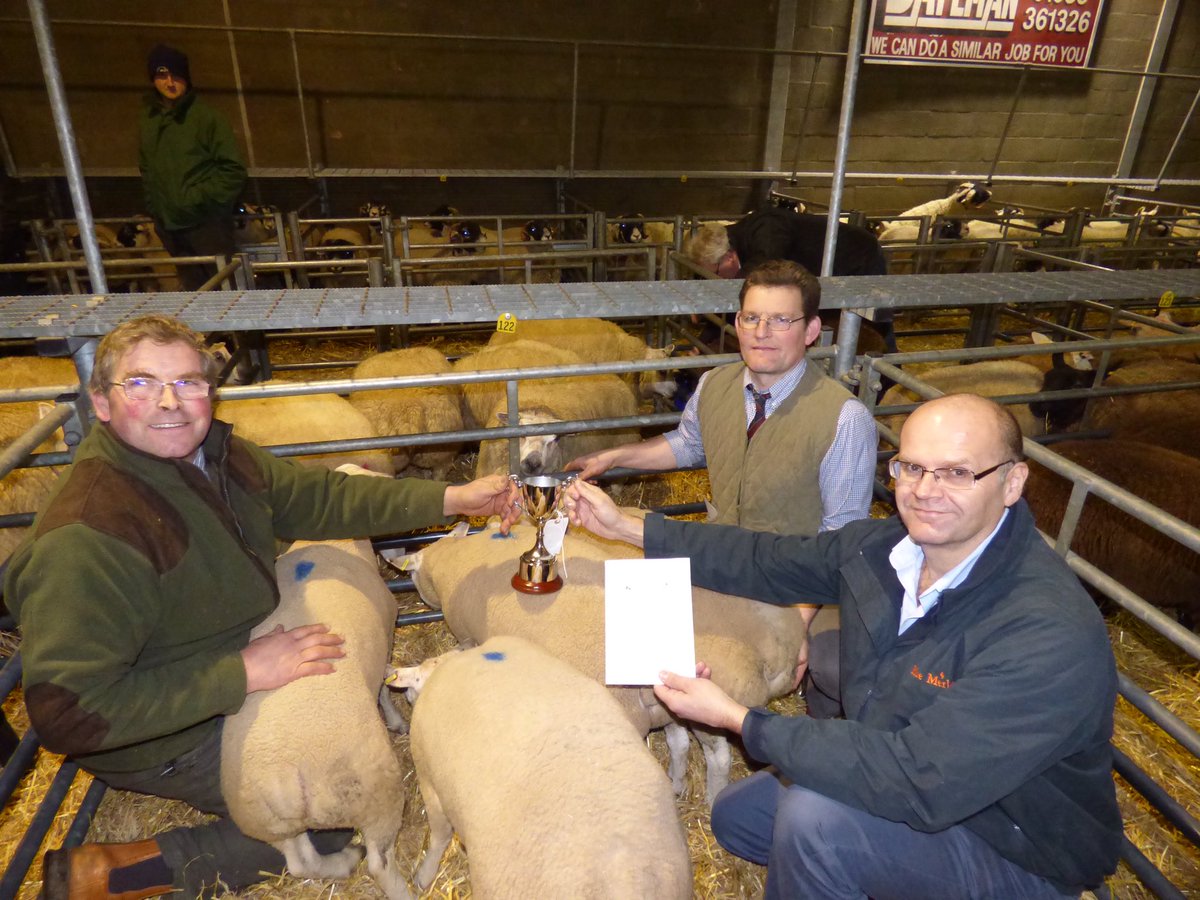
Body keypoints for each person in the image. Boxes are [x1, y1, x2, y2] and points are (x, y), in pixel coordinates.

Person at [5, 315, 520, 899]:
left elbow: (320, 497)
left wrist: (452, 496)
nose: (171, 402)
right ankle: (113, 872)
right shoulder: (87, 538)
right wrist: (243, 672)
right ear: (100, 402)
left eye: (189, 382)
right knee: (327, 812)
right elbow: (69, 714)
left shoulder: (214, 458)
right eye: (142, 384)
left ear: (210, 390)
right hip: (168, 728)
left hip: (225, 653)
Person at [563, 393, 1122, 899]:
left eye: (957, 472)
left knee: (813, 823)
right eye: (911, 468)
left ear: (1013, 481)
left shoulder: (1045, 630)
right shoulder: (886, 550)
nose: (926, 491)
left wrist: (741, 719)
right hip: (897, 769)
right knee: (738, 818)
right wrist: (628, 528)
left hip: (1013, 845)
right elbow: (765, 560)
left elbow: (919, 778)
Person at [568, 260, 876, 712]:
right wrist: (615, 456)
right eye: (752, 317)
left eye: (781, 320)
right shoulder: (715, 384)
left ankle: (817, 736)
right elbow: (689, 443)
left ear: (811, 330)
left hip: (794, 580)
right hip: (717, 556)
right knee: (626, 629)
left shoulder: (844, 419)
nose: (762, 331)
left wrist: (799, 621)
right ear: (736, 323)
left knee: (831, 667)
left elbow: (840, 541)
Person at [685, 205, 897, 351]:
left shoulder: (766, 233)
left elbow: (752, 287)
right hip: (819, 269)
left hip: (857, 256)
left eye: (715, 274)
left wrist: (710, 329)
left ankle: (888, 374)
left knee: (872, 322)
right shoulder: (729, 243)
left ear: (729, 258)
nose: (716, 280)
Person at [139, 44, 246, 291]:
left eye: (175, 76)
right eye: (161, 76)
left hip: (205, 222)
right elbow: (146, 167)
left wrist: (197, 200)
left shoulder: (206, 118)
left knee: (228, 283)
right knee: (194, 289)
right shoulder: (148, 121)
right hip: (170, 224)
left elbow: (233, 169)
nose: (170, 83)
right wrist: (156, 208)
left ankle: (246, 330)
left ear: (186, 78)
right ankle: (206, 331)